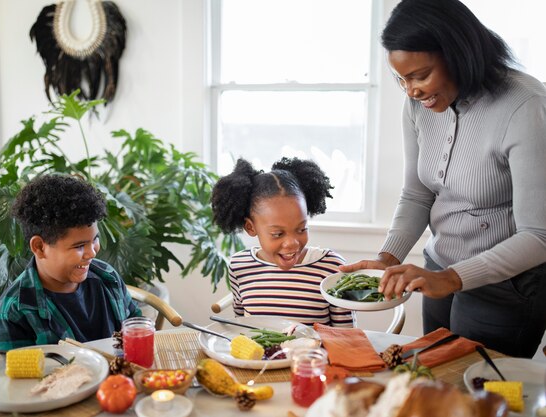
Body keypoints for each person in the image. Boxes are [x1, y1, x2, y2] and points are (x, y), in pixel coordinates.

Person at [341, 0, 546, 357]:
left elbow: (539, 235)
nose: (411, 91)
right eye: (402, 79)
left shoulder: (525, 105)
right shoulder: (419, 105)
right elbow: (418, 194)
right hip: (437, 271)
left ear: (459, 54)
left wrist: (451, 278)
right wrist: (389, 258)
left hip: (505, 285)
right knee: (433, 381)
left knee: (477, 399)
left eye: (420, 76)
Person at [0, 174, 141, 350]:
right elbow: (9, 376)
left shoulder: (108, 278)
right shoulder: (14, 313)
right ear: (39, 247)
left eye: (95, 240)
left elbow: (136, 326)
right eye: (79, 246)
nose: (92, 252)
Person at [212, 157, 353, 327]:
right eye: (278, 234)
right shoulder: (239, 267)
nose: (292, 243)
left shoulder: (331, 268)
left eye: (301, 229)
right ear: (250, 227)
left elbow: (347, 339)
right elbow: (244, 331)